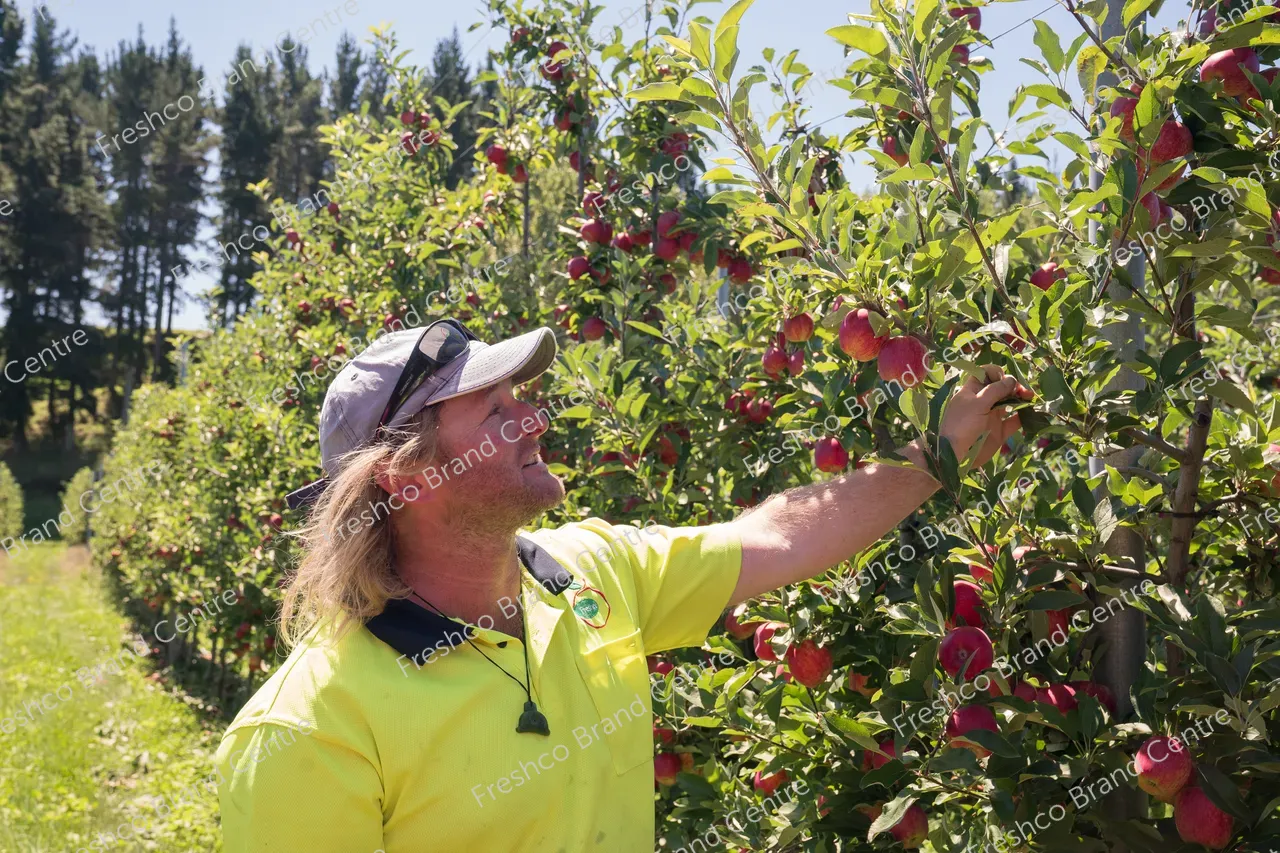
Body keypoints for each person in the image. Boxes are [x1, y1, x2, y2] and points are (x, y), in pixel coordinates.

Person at [214, 318, 1030, 851]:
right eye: (494, 412)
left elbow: (777, 533)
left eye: (520, 399)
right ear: (404, 474)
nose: (534, 420)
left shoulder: (588, 572)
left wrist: (934, 461)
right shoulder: (310, 730)